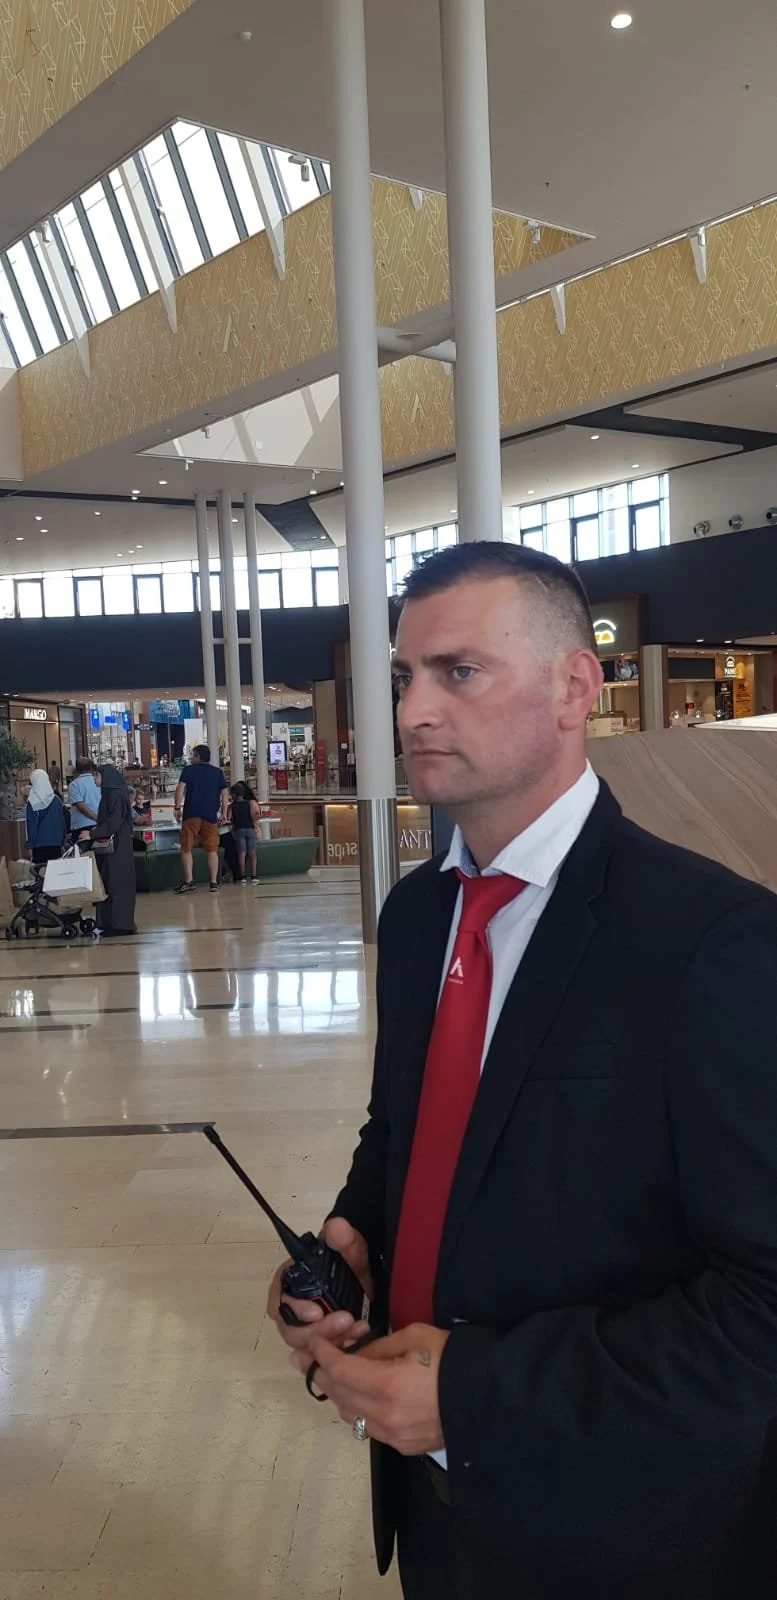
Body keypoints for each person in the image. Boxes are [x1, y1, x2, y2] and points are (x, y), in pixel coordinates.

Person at [269, 541, 777, 1600]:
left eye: (459, 672)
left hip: (625, 1535)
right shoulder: (419, 916)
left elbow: (761, 1302)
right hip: (435, 1515)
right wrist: (351, 1247)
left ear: (574, 687)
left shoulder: (710, 939)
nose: (413, 711)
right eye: (403, 677)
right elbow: (404, 1131)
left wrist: (475, 1394)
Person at [174, 744, 228, 894]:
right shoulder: (217, 772)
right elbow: (225, 793)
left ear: (198, 756)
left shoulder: (188, 770)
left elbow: (180, 789)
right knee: (212, 850)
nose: (191, 758)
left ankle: (189, 882)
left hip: (191, 814)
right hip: (210, 815)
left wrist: (177, 808)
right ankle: (213, 883)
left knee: (186, 848)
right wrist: (224, 813)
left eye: (193, 755)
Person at [91, 763, 136, 937]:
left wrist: (93, 834)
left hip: (118, 847)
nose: (94, 779)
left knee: (117, 884)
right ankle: (110, 923)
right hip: (113, 846)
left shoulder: (115, 795)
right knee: (109, 882)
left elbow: (114, 822)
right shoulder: (110, 793)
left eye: (96, 776)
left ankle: (120, 924)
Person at [25, 770, 66, 864]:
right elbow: (62, 823)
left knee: (41, 871)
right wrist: (62, 842)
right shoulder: (57, 800)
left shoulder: (33, 802)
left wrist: (30, 846)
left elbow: (32, 826)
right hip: (56, 844)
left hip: (39, 845)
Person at [229, 781, 261, 883]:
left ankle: (242, 876)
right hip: (250, 829)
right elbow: (253, 816)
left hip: (239, 830)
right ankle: (254, 876)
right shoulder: (250, 803)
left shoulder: (232, 806)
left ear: (234, 794)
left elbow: (229, 818)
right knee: (252, 853)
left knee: (242, 854)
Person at [68, 756, 101, 837]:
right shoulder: (98, 782)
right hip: (99, 824)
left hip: (82, 825)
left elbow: (81, 806)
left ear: (76, 769)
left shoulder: (74, 785)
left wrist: (96, 818)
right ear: (91, 768)